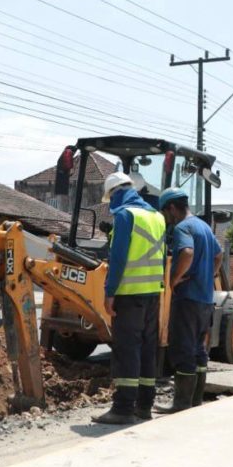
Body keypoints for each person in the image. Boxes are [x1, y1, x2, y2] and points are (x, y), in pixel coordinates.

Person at [92, 172, 166, 425]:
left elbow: (118, 258)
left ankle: (123, 409)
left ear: (114, 194)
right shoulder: (157, 217)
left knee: (127, 349)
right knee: (146, 349)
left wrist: (110, 292)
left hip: (129, 294)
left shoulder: (125, 216)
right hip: (153, 294)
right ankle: (144, 406)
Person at [155, 187, 223, 414]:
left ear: (172, 208)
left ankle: (181, 403)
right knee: (199, 351)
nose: (166, 218)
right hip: (205, 300)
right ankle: (195, 401)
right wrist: (210, 275)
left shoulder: (183, 227)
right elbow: (219, 254)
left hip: (187, 299)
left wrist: (174, 279)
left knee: (183, 350)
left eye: (165, 212)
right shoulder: (204, 226)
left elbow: (186, 253)